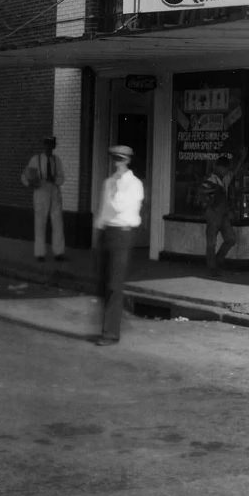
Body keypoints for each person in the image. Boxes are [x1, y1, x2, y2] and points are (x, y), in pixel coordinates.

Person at [93, 145, 145, 346]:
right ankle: (114, 322)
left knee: (114, 284)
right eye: (115, 159)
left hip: (123, 234)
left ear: (128, 161)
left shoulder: (134, 185)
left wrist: (117, 185)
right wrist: (98, 230)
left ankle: (110, 333)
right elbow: (104, 211)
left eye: (121, 159)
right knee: (102, 283)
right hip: (107, 232)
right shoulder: (109, 182)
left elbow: (120, 206)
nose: (117, 163)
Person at [20, 136, 67, 262]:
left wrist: (55, 180)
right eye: (46, 145)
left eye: (51, 145)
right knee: (40, 223)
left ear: (54, 146)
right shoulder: (36, 159)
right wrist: (30, 184)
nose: (48, 148)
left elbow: (62, 178)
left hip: (55, 192)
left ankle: (59, 252)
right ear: (43, 146)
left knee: (58, 223)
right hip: (41, 192)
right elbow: (24, 176)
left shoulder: (57, 160)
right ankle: (40, 253)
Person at [201, 149, 245, 276]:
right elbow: (204, 196)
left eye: (225, 169)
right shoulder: (211, 179)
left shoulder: (224, 179)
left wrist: (241, 160)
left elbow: (234, 172)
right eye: (223, 168)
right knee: (211, 243)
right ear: (218, 167)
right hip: (213, 213)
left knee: (230, 239)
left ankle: (217, 260)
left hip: (222, 214)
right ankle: (212, 267)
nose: (225, 171)